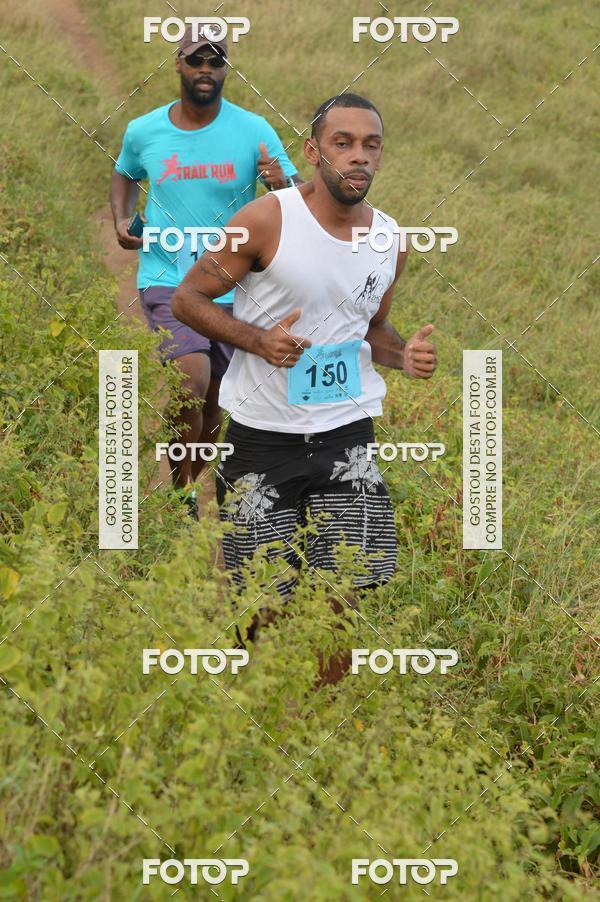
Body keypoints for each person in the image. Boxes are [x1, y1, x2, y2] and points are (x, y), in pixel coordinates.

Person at [172, 93, 437, 679]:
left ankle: (321, 721)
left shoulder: (390, 240)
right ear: (314, 152)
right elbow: (188, 299)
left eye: (370, 145)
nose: (358, 157)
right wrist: (256, 340)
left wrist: (404, 355)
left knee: (347, 587)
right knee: (262, 598)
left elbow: (371, 330)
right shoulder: (268, 219)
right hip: (264, 437)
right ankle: (249, 701)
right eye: (343, 143)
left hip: (347, 435)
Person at [110, 24, 301, 514]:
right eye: (196, 60)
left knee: (215, 404)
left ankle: (189, 482)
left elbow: (297, 199)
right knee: (189, 380)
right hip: (168, 279)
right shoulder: (145, 130)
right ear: (178, 63)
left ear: (225, 70)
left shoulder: (254, 129)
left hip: (234, 287)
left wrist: (280, 183)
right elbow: (125, 174)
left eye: (215, 62)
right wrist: (119, 216)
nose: (205, 70)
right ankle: (179, 493)